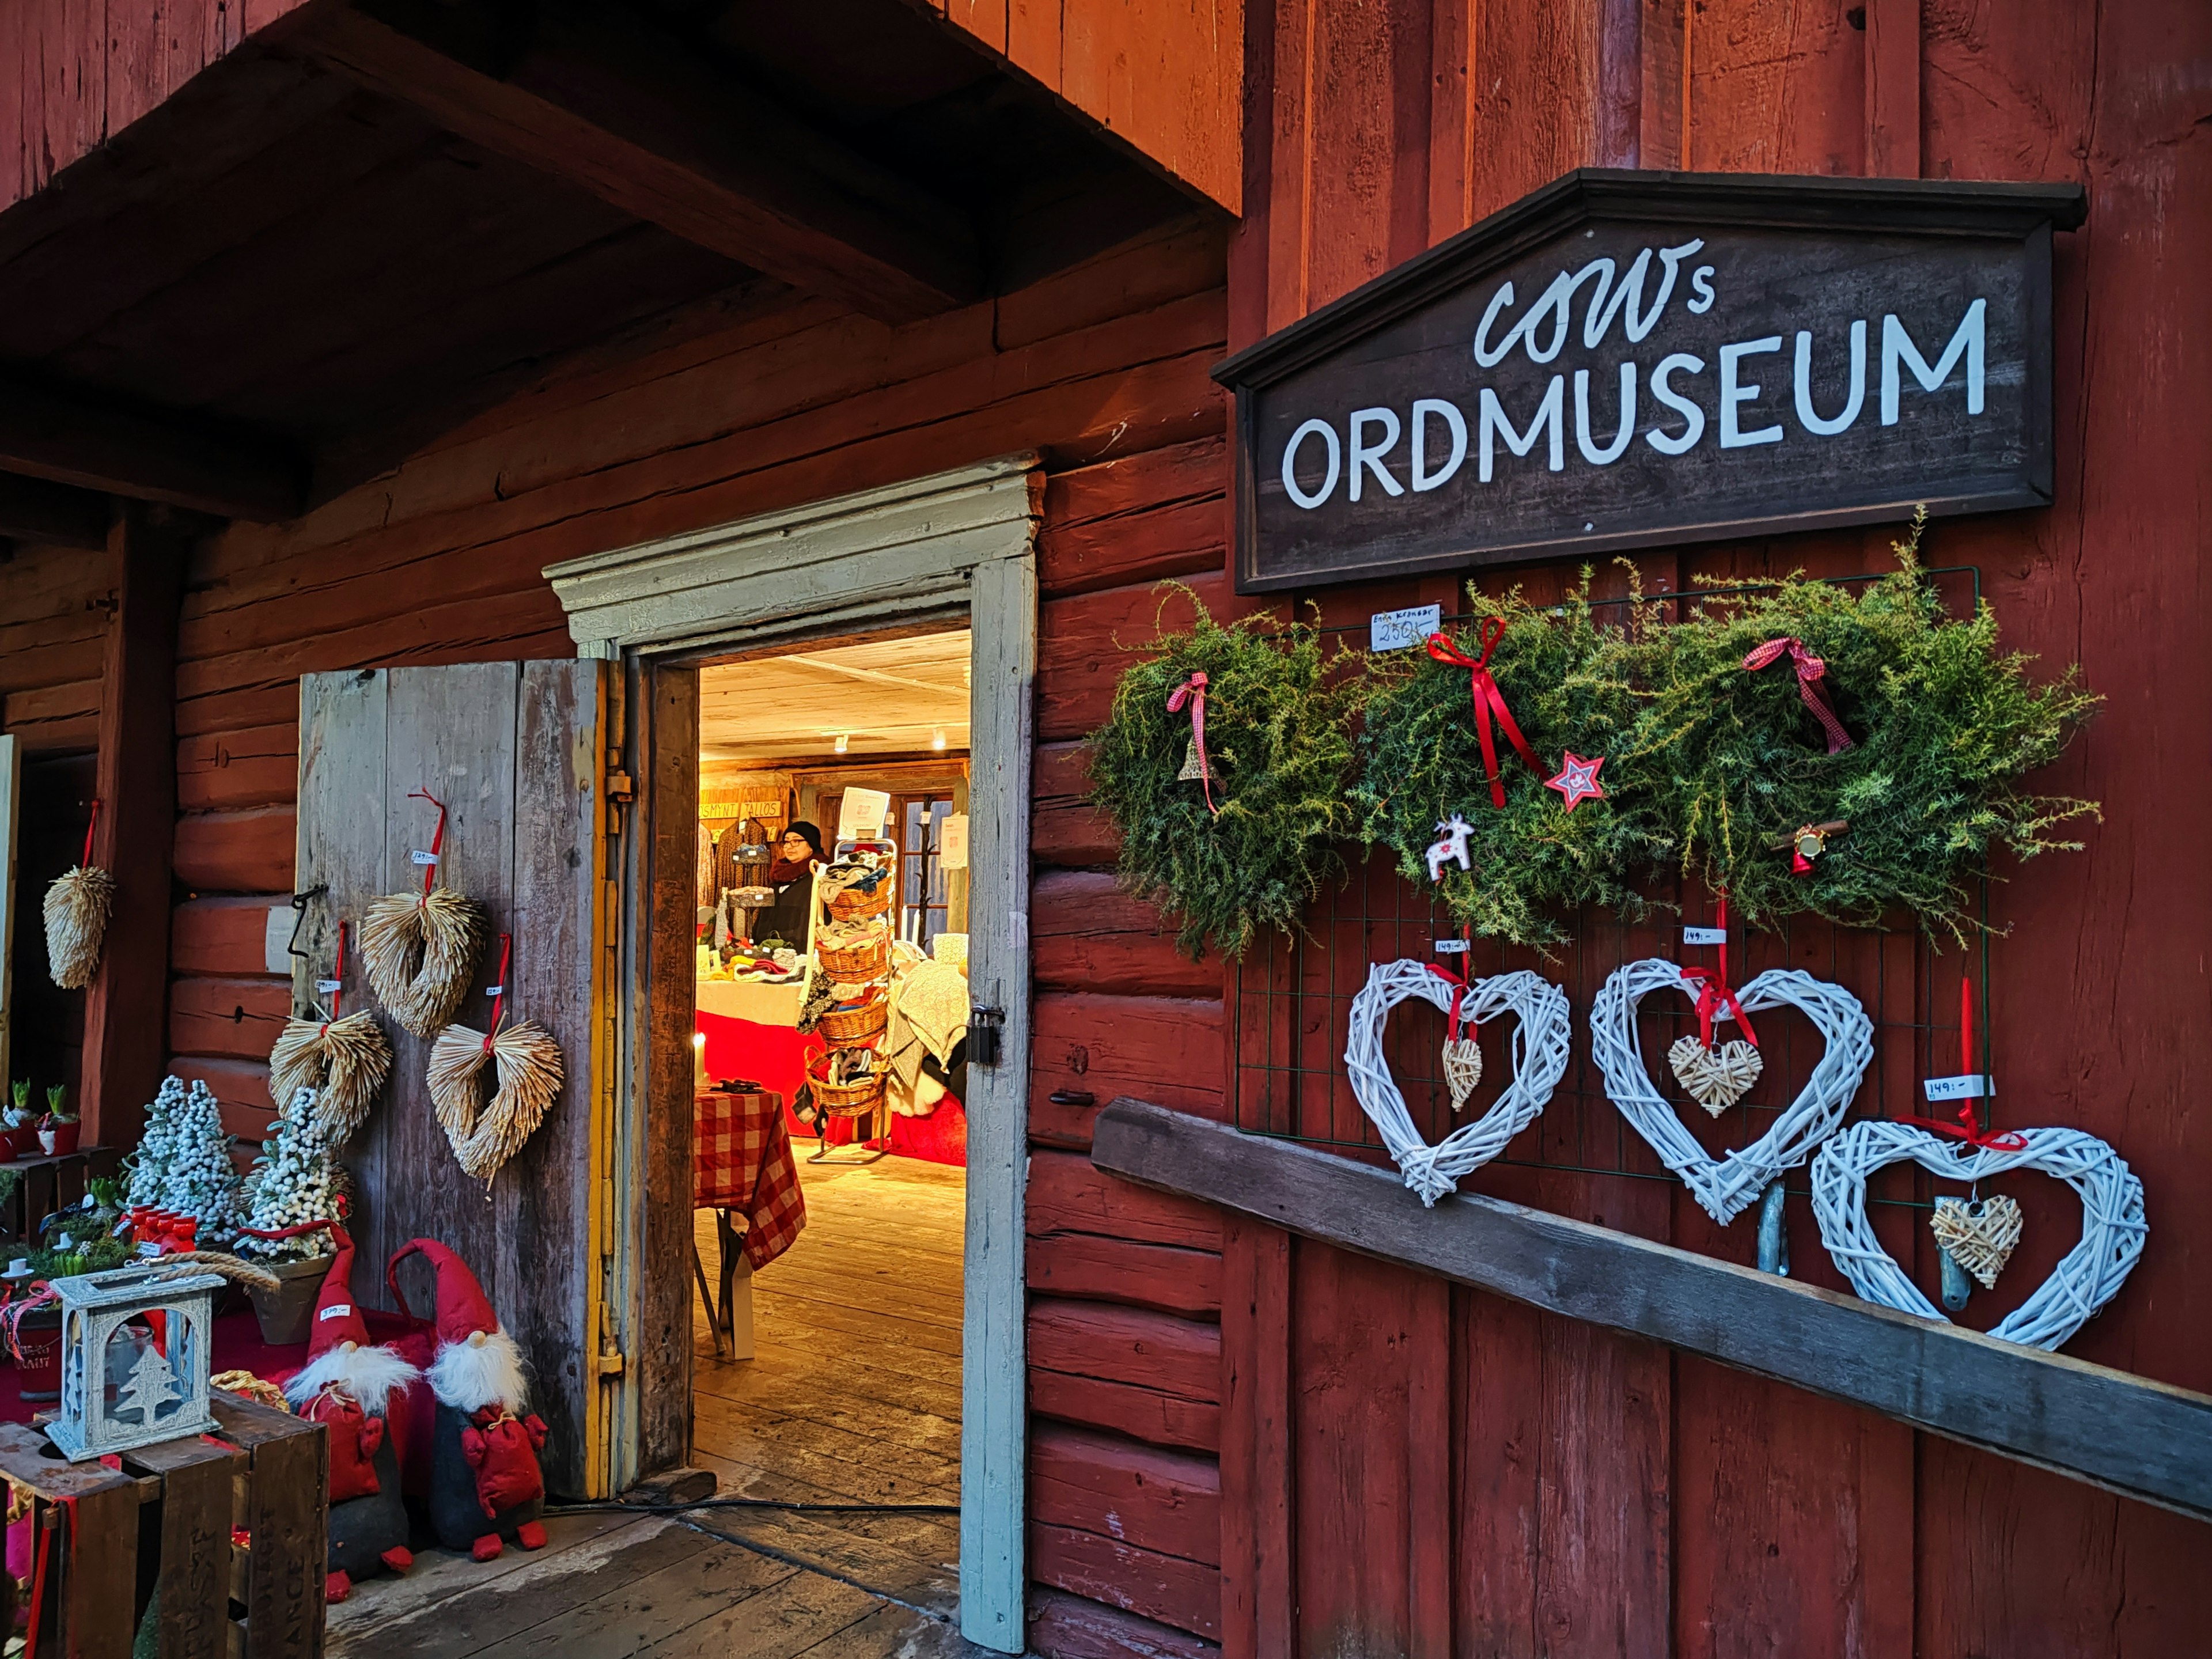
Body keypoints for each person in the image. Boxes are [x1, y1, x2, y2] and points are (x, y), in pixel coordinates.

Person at [750, 821, 824, 948]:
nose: (789, 847)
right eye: (786, 842)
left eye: (796, 841)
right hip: (768, 948)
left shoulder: (820, 875)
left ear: (811, 846)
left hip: (802, 950)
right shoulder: (778, 874)